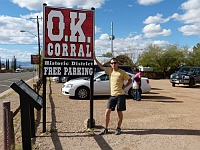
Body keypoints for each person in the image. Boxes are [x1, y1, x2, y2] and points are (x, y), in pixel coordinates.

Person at [93, 53, 132, 135]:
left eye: (115, 63)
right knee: (107, 111)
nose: (113, 64)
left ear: (117, 63)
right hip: (112, 95)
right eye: (112, 63)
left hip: (120, 95)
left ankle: (118, 128)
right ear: (110, 64)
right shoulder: (110, 71)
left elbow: (130, 80)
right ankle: (105, 128)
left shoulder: (122, 72)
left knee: (119, 112)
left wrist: (124, 87)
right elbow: (101, 66)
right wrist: (95, 58)